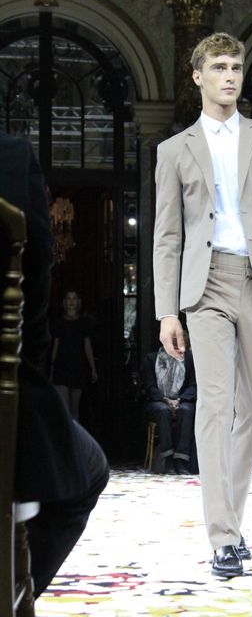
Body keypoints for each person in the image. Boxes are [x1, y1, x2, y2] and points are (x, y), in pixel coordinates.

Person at [153, 32, 252, 577]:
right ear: (197, 75)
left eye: (236, 67)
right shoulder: (174, 151)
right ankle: (222, 536)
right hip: (207, 286)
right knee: (215, 406)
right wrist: (167, 312)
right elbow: (167, 237)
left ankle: (233, 522)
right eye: (219, 66)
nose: (229, 75)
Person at [0, 130, 109, 598]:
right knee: (87, 469)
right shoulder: (8, 158)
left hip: (54, 373)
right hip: (4, 387)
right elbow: (35, 284)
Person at [142, 336, 197, 475]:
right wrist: (165, 400)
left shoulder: (189, 359)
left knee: (186, 410)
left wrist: (179, 400)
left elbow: (193, 385)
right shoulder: (151, 359)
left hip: (182, 400)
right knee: (163, 411)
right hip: (159, 401)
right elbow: (149, 386)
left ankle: (180, 460)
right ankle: (168, 460)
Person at [50, 290, 98, 420]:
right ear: (64, 302)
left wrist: (93, 368)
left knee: (74, 408)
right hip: (61, 366)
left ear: (78, 302)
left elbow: (87, 346)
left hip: (78, 367)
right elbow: (55, 346)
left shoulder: (84, 323)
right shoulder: (58, 323)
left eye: (74, 298)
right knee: (64, 408)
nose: (71, 301)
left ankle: (74, 432)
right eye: (69, 298)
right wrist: (51, 368)